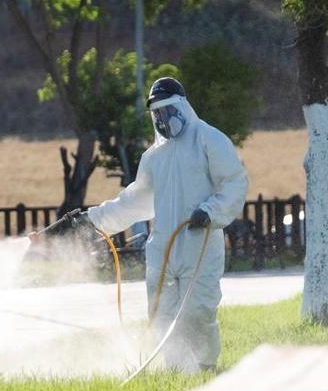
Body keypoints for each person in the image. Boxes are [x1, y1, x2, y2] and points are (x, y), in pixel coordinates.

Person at [80, 77, 248, 373]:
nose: (161, 118)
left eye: (166, 110)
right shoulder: (154, 157)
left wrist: (210, 211)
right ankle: (177, 371)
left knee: (198, 311)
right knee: (161, 317)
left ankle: (205, 366)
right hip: (162, 250)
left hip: (200, 246)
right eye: (156, 113)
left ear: (182, 107)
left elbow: (234, 183)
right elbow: (134, 201)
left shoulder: (209, 140)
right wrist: (93, 220)